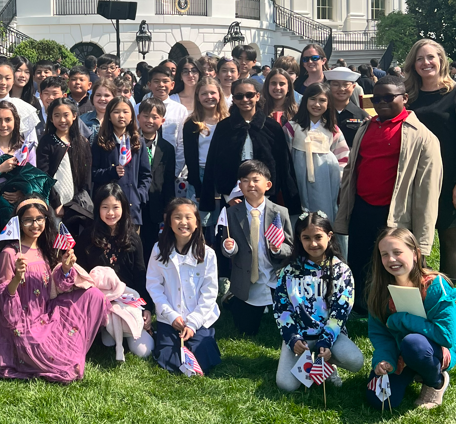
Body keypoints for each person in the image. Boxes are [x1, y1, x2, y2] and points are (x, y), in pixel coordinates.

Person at [0, 196, 109, 382]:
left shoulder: (47, 249)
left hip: (47, 312)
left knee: (93, 295)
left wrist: (65, 268)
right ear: (19, 223)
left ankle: (69, 349)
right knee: (36, 345)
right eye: (28, 220)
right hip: (21, 322)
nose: (35, 224)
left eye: (39, 219)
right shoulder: (11, 253)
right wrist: (16, 279)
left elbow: (58, 286)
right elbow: (0, 297)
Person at [334, 75, 442, 314]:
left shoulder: (423, 137)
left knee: (395, 267)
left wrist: (422, 244)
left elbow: (428, 193)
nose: (382, 102)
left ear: (404, 98)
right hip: (363, 208)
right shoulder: (366, 126)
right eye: (377, 98)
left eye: (389, 97)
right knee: (361, 262)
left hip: (395, 214)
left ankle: (401, 313)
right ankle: (361, 308)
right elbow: (353, 167)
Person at [366, 228, 455, 410]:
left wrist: (402, 319)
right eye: (385, 254)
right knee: (380, 400)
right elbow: (380, 334)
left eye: (398, 252)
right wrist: (384, 359)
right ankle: (412, 371)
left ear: (415, 254)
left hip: (434, 350)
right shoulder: (379, 290)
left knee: (413, 344)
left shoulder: (435, 285)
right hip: (400, 353)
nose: (391, 259)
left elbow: (446, 335)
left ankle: (435, 381)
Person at [274, 211, 363, 391]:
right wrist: (292, 337)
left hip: (331, 336)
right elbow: (281, 308)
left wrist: (326, 341)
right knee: (286, 385)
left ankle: (328, 365)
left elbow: (340, 312)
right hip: (300, 337)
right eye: (306, 238)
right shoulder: (289, 270)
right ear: (299, 239)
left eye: (318, 237)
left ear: (329, 236)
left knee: (356, 361)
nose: (313, 243)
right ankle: (307, 360)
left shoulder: (341, 271)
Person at [199, 78, 301, 215]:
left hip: (266, 196)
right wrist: (228, 196)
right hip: (232, 197)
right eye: (239, 96)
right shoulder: (224, 127)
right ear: (234, 99)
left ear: (257, 96)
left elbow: (284, 166)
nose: (245, 99)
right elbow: (215, 163)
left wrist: (290, 202)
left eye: (249, 95)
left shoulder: (272, 127)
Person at [75, 183, 153, 358]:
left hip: (128, 298)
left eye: (115, 207)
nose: (110, 213)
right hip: (101, 300)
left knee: (144, 351)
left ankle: (125, 328)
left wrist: (146, 307)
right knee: (107, 341)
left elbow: (141, 275)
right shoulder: (88, 236)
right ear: (98, 209)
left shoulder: (133, 238)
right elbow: (81, 274)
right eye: (105, 207)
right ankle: (106, 328)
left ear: (124, 208)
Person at [146, 197, 222, 374]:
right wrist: (171, 315)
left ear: (197, 223)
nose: (183, 222)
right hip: (170, 318)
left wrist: (193, 322)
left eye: (188, 217)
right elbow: (154, 286)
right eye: (178, 217)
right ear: (169, 222)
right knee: (169, 359)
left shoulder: (208, 254)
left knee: (203, 356)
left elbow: (210, 293)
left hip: (199, 318)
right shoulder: (158, 249)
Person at [220, 160, 293, 336]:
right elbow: (226, 248)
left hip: (274, 278)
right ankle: (233, 300)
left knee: (285, 330)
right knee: (246, 330)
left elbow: (290, 247)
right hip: (247, 282)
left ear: (268, 185)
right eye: (245, 180)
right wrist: (229, 248)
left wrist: (277, 249)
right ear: (239, 185)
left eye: (255, 180)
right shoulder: (231, 213)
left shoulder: (279, 212)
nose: (250, 184)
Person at [403, 39, 456, 281]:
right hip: (415, 176)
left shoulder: (453, 94)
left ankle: (448, 299)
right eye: (420, 58)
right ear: (413, 65)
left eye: (431, 57)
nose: (426, 62)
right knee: (414, 240)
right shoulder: (407, 96)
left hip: (449, 177)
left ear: (441, 60)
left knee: (450, 238)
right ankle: (418, 291)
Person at [283, 83, 348, 221]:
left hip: (326, 181)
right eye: (312, 99)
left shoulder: (333, 130)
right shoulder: (292, 128)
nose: (317, 104)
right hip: (298, 180)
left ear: (329, 103)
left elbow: (343, 158)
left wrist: (339, 180)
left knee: (323, 217)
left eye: (322, 100)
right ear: (305, 100)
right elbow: (285, 158)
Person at [91, 97, 151, 229]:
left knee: (130, 244)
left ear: (132, 116)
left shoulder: (138, 142)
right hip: (107, 208)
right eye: (116, 112)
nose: (121, 116)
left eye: (125, 112)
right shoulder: (100, 141)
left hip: (132, 206)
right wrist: (111, 172)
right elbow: (92, 173)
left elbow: (146, 174)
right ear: (109, 116)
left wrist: (139, 195)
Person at [35, 98, 92, 235]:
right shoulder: (47, 142)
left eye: (66, 115)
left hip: (77, 204)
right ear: (50, 118)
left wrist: (79, 201)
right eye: (57, 115)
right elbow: (44, 176)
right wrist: (56, 203)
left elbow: (87, 175)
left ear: (74, 115)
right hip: (55, 204)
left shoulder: (81, 142)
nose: (62, 120)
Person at [137, 98, 176, 261]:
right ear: (138, 118)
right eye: (146, 116)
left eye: (155, 117)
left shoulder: (167, 148)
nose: (150, 121)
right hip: (135, 203)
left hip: (156, 205)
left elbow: (168, 181)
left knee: (152, 248)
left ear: (163, 120)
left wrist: (168, 209)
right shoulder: (129, 143)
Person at [183, 77, 229, 205]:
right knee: (201, 220)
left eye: (213, 93)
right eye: (204, 93)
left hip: (222, 175)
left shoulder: (228, 122)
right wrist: (197, 186)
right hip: (200, 174)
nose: (209, 96)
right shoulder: (191, 124)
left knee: (223, 219)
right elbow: (190, 157)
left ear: (219, 95)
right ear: (198, 97)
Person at [0, 101, 37, 206]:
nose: (3, 125)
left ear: (15, 121)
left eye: (8, 120)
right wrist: (0, 169)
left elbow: (34, 180)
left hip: (22, 207)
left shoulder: (26, 148)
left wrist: (22, 193)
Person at [145, 64, 188, 181]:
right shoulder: (139, 108)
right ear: (149, 85)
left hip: (170, 164)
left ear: (172, 85)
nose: (161, 85)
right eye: (156, 81)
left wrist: (176, 170)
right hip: (144, 162)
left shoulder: (180, 110)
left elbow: (181, 142)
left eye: (165, 81)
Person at [0, 58, 39, 144]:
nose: (3, 82)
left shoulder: (23, 107)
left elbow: (31, 141)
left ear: (13, 81)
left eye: (7, 78)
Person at [325, 67, 369, 149]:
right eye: (335, 84)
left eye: (346, 85)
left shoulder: (362, 116)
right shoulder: (322, 113)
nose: (341, 89)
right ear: (329, 87)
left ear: (353, 87)